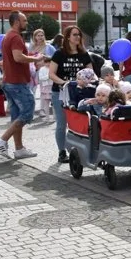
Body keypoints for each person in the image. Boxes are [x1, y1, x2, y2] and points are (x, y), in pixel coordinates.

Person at [0, 11, 43, 159]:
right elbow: (18, 57)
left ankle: (19, 149)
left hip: (9, 81)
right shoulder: (15, 37)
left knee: (16, 117)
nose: (26, 23)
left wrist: (34, 56)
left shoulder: (8, 36)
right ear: (16, 22)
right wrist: (35, 59)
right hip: (17, 82)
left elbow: (16, 57)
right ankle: (2, 140)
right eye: (24, 21)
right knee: (28, 111)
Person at [48, 26, 93, 163]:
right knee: (62, 123)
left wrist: (90, 82)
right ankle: (62, 152)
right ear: (68, 37)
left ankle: (79, 150)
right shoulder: (59, 54)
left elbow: (91, 74)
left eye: (79, 35)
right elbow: (51, 74)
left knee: (81, 122)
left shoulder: (84, 54)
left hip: (79, 93)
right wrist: (64, 83)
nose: (77, 37)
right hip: (61, 93)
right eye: (74, 35)